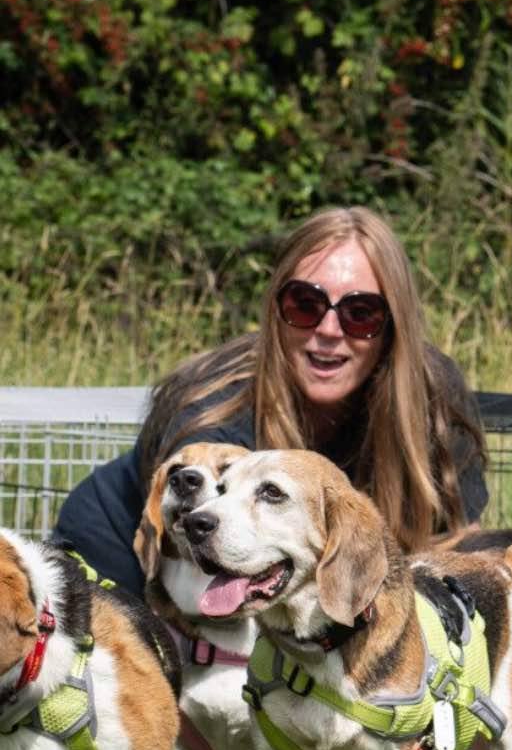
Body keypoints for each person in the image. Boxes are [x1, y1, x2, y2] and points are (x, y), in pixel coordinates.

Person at [55, 206, 488, 595]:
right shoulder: (210, 406)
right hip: (130, 564)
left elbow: (460, 548)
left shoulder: (434, 396)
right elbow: (203, 559)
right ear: (275, 310)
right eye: (305, 303)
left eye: (361, 313)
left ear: (394, 325)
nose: (329, 330)